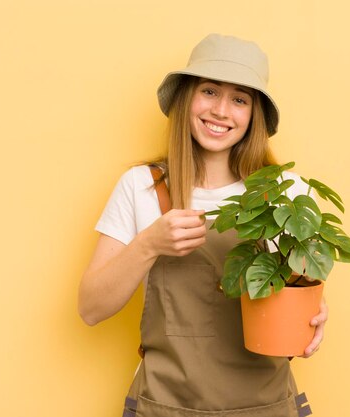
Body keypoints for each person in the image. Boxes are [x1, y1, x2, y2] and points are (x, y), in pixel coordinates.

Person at [78, 33, 327, 417]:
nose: (222, 111)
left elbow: (302, 297)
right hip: (164, 406)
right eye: (209, 91)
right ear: (187, 98)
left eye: (240, 99)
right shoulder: (142, 187)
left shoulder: (287, 195)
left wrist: (315, 315)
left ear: (253, 115)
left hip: (266, 407)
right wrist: (149, 244)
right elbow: (90, 308)